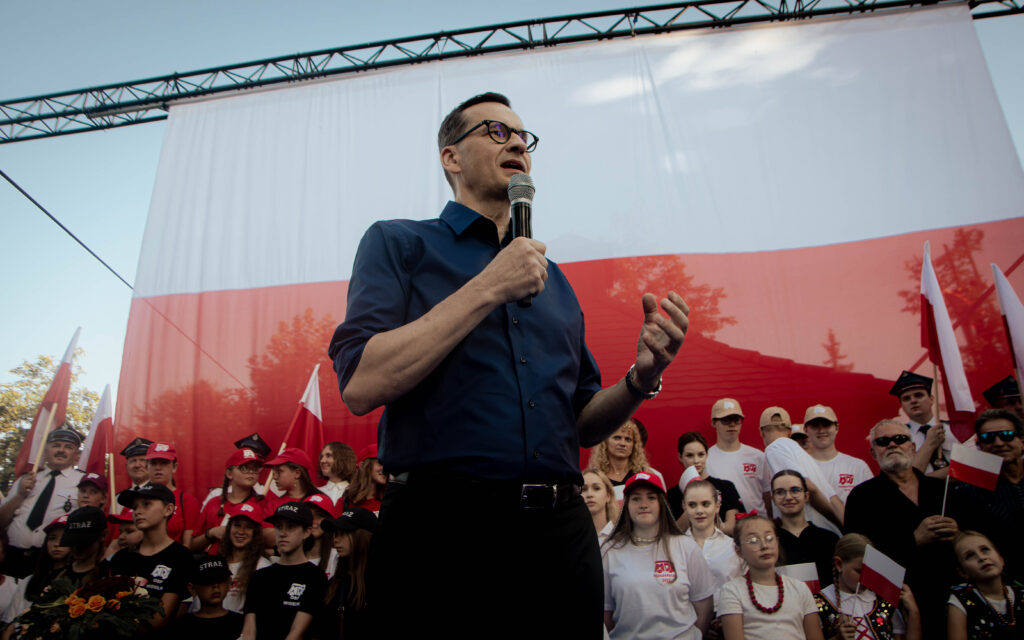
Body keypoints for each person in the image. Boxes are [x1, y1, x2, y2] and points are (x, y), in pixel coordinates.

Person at [328, 91, 690, 637]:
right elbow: (360, 383)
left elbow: (583, 422)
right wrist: (489, 286)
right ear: (451, 157)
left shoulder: (554, 280)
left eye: (524, 137)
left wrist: (642, 378)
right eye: (497, 132)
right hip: (442, 533)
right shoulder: (400, 243)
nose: (517, 143)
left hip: (560, 534)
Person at [844, 419, 959, 639]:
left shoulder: (941, 490)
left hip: (952, 599)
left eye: (900, 439)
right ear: (873, 452)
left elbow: (974, 538)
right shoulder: (862, 498)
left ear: (913, 447)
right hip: (900, 605)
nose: (892, 445)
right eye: (883, 441)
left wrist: (958, 534)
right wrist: (913, 539)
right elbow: (859, 559)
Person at [602, 472, 714, 639]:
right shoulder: (610, 552)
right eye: (636, 499)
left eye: (651, 498)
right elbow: (606, 614)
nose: (643, 504)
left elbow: (703, 604)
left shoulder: (686, 546)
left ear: (662, 503)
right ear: (626, 505)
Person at [718, 514, 824, 640]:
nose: (764, 546)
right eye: (753, 540)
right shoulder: (732, 591)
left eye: (769, 538)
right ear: (738, 550)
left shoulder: (799, 588)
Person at [108, 484, 196, 631]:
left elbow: (158, 620)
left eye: (146, 504)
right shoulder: (121, 557)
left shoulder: (181, 557)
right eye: (135, 507)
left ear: (168, 509)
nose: (138, 511)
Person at [950, 409, 1024, 585]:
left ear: (1022, 441)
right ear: (979, 446)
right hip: (1008, 585)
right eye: (988, 438)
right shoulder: (968, 493)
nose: (998, 443)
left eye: (1006, 435)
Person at [0, 428, 84, 578]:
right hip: (11, 556)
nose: (61, 450)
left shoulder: (83, 482)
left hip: (51, 562)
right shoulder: (26, 479)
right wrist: (20, 495)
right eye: (56, 445)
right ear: (46, 450)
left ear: (77, 455)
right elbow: (1, 522)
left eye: (68, 447)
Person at [242, 502, 327, 640]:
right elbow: (249, 630)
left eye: (290, 527)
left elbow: (297, 632)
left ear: (307, 532)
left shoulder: (315, 577)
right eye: (279, 526)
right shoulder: (259, 576)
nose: (282, 533)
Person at [815, 533, 921, 640]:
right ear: (839, 564)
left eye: (870, 571)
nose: (865, 578)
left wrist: (914, 612)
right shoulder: (819, 602)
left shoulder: (883, 601)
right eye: (859, 571)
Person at [759, 406, 843, 533]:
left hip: (810, 533)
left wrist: (836, 523)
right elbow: (833, 498)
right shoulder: (803, 454)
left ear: (761, 432)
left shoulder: (774, 449)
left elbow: (809, 488)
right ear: (789, 431)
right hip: (827, 533)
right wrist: (845, 528)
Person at [680, 479, 744, 609]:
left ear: (717, 506)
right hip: (688, 618)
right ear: (684, 507)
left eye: (705, 504)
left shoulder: (733, 547)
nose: (699, 510)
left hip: (727, 616)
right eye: (692, 505)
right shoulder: (675, 548)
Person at [947, 530, 1023, 640]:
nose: (981, 557)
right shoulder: (961, 599)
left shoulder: (1020, 593)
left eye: (985, 549)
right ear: (963, 572)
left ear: (1001, 559)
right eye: (970, 555)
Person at [770, 470, 838, 590]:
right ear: (773, 499)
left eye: (795, 490)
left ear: (806, 496)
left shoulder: (829, 539)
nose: (788, 497)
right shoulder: (769, 543)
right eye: (780, 492)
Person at [667, 431, 744, 535]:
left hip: (721, 543)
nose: (696, 460)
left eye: (701, 454)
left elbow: (731, 527)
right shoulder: (673, 493)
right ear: (680, 457)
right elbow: (674, 532)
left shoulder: (726, 487)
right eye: (690, 455)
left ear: (707, 455)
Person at [192, 448, 265, 553]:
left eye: (255, 469)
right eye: (244, 468)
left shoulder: (262, 503)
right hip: (213, 560)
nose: (251, 472)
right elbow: (192, 545)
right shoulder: (214, 503)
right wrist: (211, 533)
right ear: (229, 473)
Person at [320, 507, 377, 640]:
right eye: (335, 533)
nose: (335, 539)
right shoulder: (334, 584)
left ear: (362, 536)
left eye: (343, 533)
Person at [706, 399, 771, 513]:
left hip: (758, 521)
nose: (732, 424)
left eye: (736, 420)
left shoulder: (758, 457)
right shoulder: (706, 459)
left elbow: (767, 495)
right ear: (713, 423)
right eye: (726, 420)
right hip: (725, 523)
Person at [803, 405, 873, 504]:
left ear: (836, 428)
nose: (821, 430)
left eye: (826, 425)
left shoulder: (858, 467)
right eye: (815, 426)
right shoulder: (799, 466)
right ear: (805, 430)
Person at [890, 370, 955, 474]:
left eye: (919, 395)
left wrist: (923, 480)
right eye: (906, 398)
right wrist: (930, 443)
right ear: (902, 405)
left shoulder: (954, 429)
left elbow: (968, 468)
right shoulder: (898, 439)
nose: (913, 401)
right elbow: (902, 476)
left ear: (931, 399)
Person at [169, 554, 245, 639]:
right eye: (208, 580)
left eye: (220, 579)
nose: (215, 585)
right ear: (192, 588)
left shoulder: (242, 624)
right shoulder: (180, 627)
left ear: (229, 583)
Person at [216, 502, 271, 613]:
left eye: (248, 527)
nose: (241, 532)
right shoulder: (217, 563)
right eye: (237, 525)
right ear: (229, 527)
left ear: (255, 533)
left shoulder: (262, 566)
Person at [144, 441, 201, 547]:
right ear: (146, 467)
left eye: (164, 463)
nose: (158, 467)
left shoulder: (187, 501)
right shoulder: (137, 498)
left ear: (174, 467)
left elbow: (187, 544)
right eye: (153, 463)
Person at [587, 419, 653, 495]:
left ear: (634, 445)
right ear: (605, 442)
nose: (622, 443)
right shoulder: (595, 477)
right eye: (617, 438)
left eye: (628, 439)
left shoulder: (645, 474)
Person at [54, 506, 108, 589]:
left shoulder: (110, 573)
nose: (76, 547)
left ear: (103, 535)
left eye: (83, 543)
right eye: (72, 542)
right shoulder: (58, 575)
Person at [264, 448, 320, 512]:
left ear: (297, 473)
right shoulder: (273, 505)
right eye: (274, 472)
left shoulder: (319, 503)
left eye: (279, 471)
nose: (275, 477)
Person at [342, 445, 385, 513]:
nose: (385, 468)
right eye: (380, 463)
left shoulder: (392, 499)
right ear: (362, 466)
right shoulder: (346, 499)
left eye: (387, 464)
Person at [303, 493, 338, 578]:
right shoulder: (292, 556)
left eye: (319, 515)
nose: (312, 521)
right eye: (308, 515)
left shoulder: (337, 558)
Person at [582, 469, 620, 542]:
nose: (589, 494)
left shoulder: (621, 538)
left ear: (608, 496)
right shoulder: (571, 538)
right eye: (583, 489)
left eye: (596, 488)